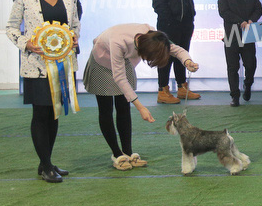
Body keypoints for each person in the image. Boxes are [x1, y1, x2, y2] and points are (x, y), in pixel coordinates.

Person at [5, 0, 81, 183]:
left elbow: (75, 24)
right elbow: (11, 28)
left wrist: (74, 37)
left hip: (63, 63)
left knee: (54, 113)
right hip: (36, 66)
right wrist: (26, 44)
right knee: (40, 113)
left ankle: (45, 162)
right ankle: (47, 165)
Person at [83, 25, 199, 170]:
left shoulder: (152, 35)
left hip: (124, 61)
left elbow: (175, 49)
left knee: (123, 107)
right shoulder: (118, 42)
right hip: (102, 62)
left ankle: (128, 152)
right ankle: (117, 154)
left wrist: (187, 61)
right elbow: (120, 78)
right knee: (106, 109)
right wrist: (141, 107)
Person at [151, 0, 200, 104]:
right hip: (168, 26)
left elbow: (188, 0)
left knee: (182, 56)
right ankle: (163, 90)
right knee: (165, 57)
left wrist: (191, 18)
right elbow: (158, 4)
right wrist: (170, 21)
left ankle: (182, 87)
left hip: (185, 25)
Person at [217, 0, 262, 107]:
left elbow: (259, 9)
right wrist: (240, 21)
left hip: (248, 34)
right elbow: (224, 12)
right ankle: (235, 96)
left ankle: (248, 85)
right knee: (232, 67)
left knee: (251, 65)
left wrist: (251, 20)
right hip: (232, 35)